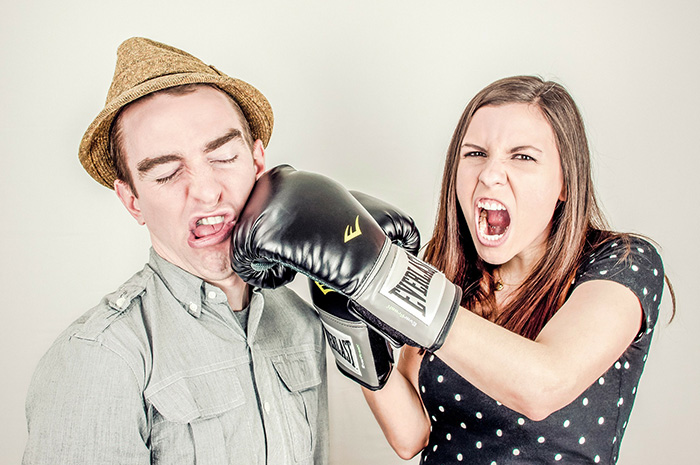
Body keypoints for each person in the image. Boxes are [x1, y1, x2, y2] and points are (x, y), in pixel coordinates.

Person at [23, 37, 328, 465]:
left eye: (223, 157)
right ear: (132, 201)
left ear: (258, 163)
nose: (205, 192)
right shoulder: (98, 358)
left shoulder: (300, 322)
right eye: (167, 173)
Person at [359, 75, 676, 464]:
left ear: (565, 182)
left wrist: (390, 282)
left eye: (523, 156)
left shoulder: (623, 263)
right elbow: (412, 434)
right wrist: (348, 320)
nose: (490, 174)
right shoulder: (445, 272)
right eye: (474, 153)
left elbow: (542, 385)